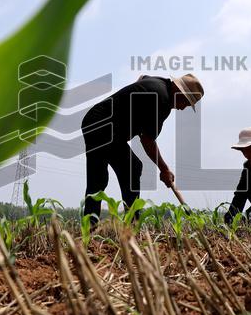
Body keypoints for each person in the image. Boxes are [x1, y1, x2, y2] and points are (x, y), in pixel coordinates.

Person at [81, 73, 204, 223]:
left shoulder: (159, 83)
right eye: (186, 102)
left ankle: (91, 227)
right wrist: (164, 169)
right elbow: (147, 139)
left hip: (97, 121)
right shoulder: (162, 100)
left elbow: (142, 78)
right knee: (130, 169)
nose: (183, 108)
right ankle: (132, 224)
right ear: (179, 92)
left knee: (99, 178)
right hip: (102, 126)